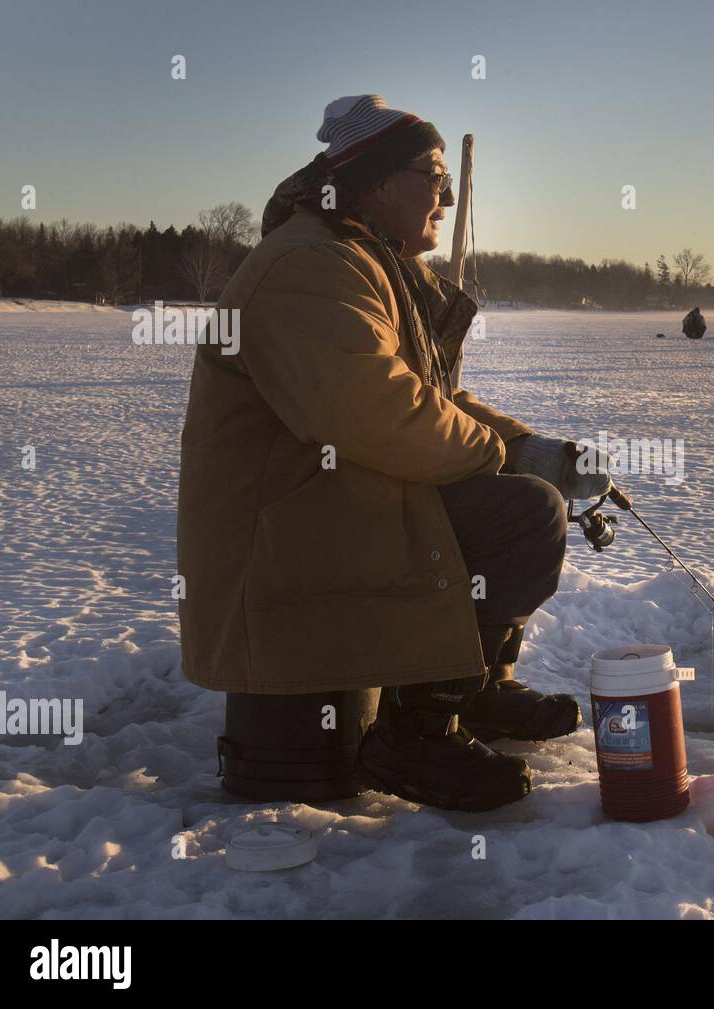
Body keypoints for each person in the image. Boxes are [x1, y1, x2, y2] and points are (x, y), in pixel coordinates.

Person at [177, 95, 612, 812]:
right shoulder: (310, 266)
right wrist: (502, 462)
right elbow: (377, 412)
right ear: (376, 183)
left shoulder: (360, 261)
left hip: (333, 507)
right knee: (519, 515)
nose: (445, 193)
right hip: (284, 540)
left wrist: (527, 446)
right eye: (430, 172)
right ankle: (414, 732)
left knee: (530, 492)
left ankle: (472, 693)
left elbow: (421, 397)